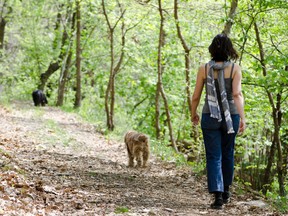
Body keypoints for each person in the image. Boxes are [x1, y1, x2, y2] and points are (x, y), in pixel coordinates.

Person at [191, 33, 246, 209]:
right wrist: (242, 117)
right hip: (231, 115)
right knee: (228, 153)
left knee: (214, 156)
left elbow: (196, 96)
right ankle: (226, 190)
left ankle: (217, 197)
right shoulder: (235, 68)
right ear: (229, 49)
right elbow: (237, 94)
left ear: (212, 49)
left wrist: (193, 113)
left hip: (210, 115)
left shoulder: (204, 68)